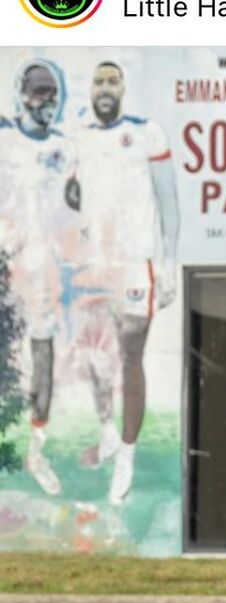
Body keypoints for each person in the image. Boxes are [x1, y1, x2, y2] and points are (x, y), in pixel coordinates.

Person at [73, 60, 179, 505]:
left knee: (131, 353)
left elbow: (168, 200)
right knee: (95, 353)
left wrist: (170, 261)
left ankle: (127, 457)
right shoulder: (77, 137)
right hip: (94, 263)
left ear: (122, 89)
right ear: (90, 89)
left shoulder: (146, 133)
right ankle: (107, 434)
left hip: (137, 262)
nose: (105, 87)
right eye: (98, 80)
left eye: (112, 81)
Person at [0, 59, 77, 497]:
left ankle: (36, 449)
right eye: (36, 91)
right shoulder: (4, 136)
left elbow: (76, 209)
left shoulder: (65, 149)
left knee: (42, 357)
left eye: (51, 93)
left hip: (41, 270)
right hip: (3, 264)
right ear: (21, 93)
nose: (44, 101)